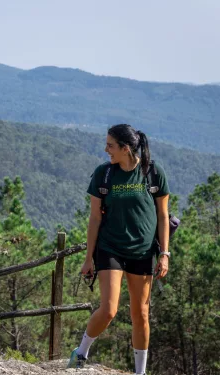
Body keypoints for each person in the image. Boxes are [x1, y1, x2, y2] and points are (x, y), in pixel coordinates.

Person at [68, 124, 170, 375]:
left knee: (141, 313)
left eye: (110, 146)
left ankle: (140, 372)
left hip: (143, 251)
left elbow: (163, 215)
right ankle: (81, 353)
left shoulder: (153, 173)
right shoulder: (104, 174)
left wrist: (164, 253)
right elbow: (94, 218)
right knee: (109, 309)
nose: (106, 150)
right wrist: (88, 258)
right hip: (110, 248)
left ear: (126, 149)